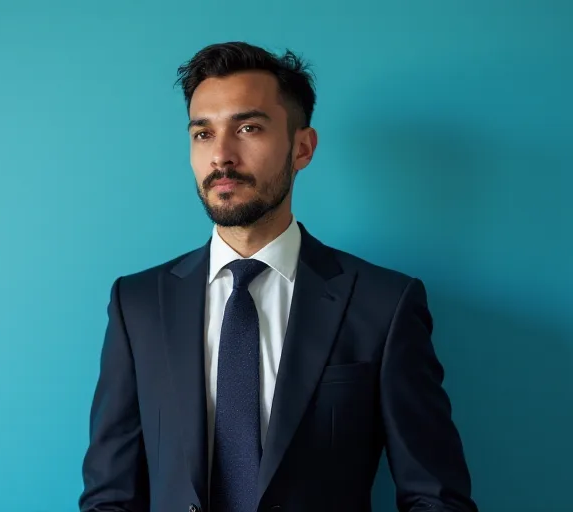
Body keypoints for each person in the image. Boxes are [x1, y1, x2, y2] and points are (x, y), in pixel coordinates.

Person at [79, 41, 477, 512]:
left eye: (248, 128)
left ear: (302, 148)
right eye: (203, 134)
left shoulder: (383, 304)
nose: (221, 155)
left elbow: (435, 496)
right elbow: (110, 497)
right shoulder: (139, 304)